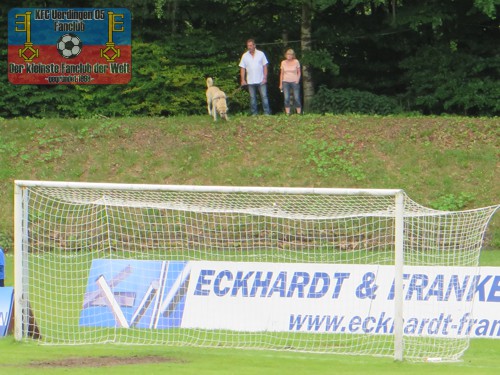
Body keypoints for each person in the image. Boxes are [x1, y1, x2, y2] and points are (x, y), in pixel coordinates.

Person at [239, 39, 271, 115]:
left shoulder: (261, 54)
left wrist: (265, 77)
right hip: (250, 80)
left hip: (261, 80)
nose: (249, 47)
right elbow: (242, 68)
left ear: (254, 45)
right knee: (252, 98)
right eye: (248, 46)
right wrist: (243, 79)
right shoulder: (245, 56)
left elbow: (265, 66)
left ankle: (267, 113)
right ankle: (254, 113)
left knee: (264, 97)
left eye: (250, 45)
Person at [279, 48, 302, 115]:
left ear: (293, 55)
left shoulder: (296, 61)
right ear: (286, 55)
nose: (289, 56)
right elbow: (281, 74)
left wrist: (297, 80)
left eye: (290, 55)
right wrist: (280, 84)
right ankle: (288, 113)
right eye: (287, 54)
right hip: (285, 81)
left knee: (297, 97)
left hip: (295, 81)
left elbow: (299, 72)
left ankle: (299, 113)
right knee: (286, 98)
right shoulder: (283, 62)